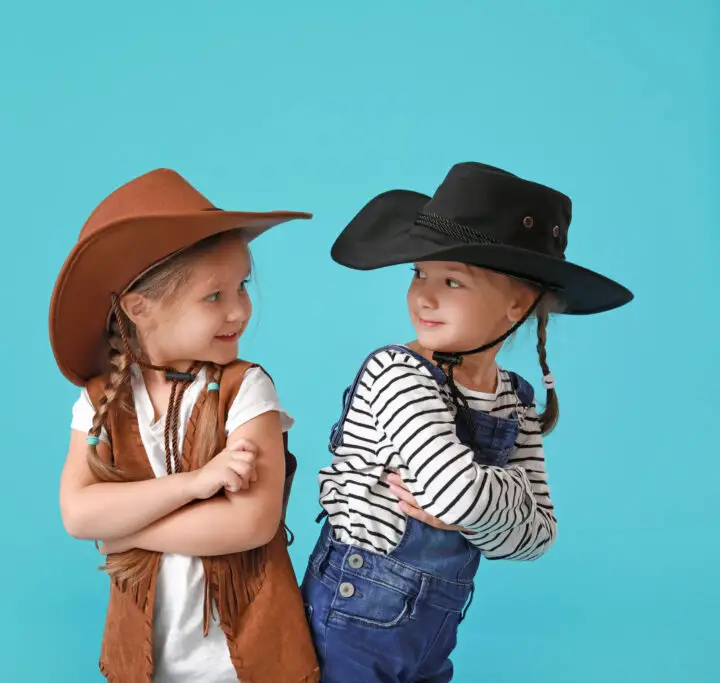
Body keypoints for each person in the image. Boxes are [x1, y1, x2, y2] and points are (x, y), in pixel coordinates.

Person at [302, 162, 633, 682]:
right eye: (418, 274)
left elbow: (536, 537)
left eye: (452, 280)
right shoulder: (397, 374)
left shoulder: (515, 400)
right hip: (354, 614)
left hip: (435, 624)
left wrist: (471, 506)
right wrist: (498, 501)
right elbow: (456, 497)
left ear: (516, 304)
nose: (423, 296)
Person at [52, 168, 320, 683]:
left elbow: (249, 524)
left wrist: (125, 533)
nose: (240, 310)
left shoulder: (247, 389)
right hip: (147, 662)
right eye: (213, 296)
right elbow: (77, 515)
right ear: (140, 308)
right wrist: (195, 484)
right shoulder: (100, 401)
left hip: (248, 662)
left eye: (241, 287)